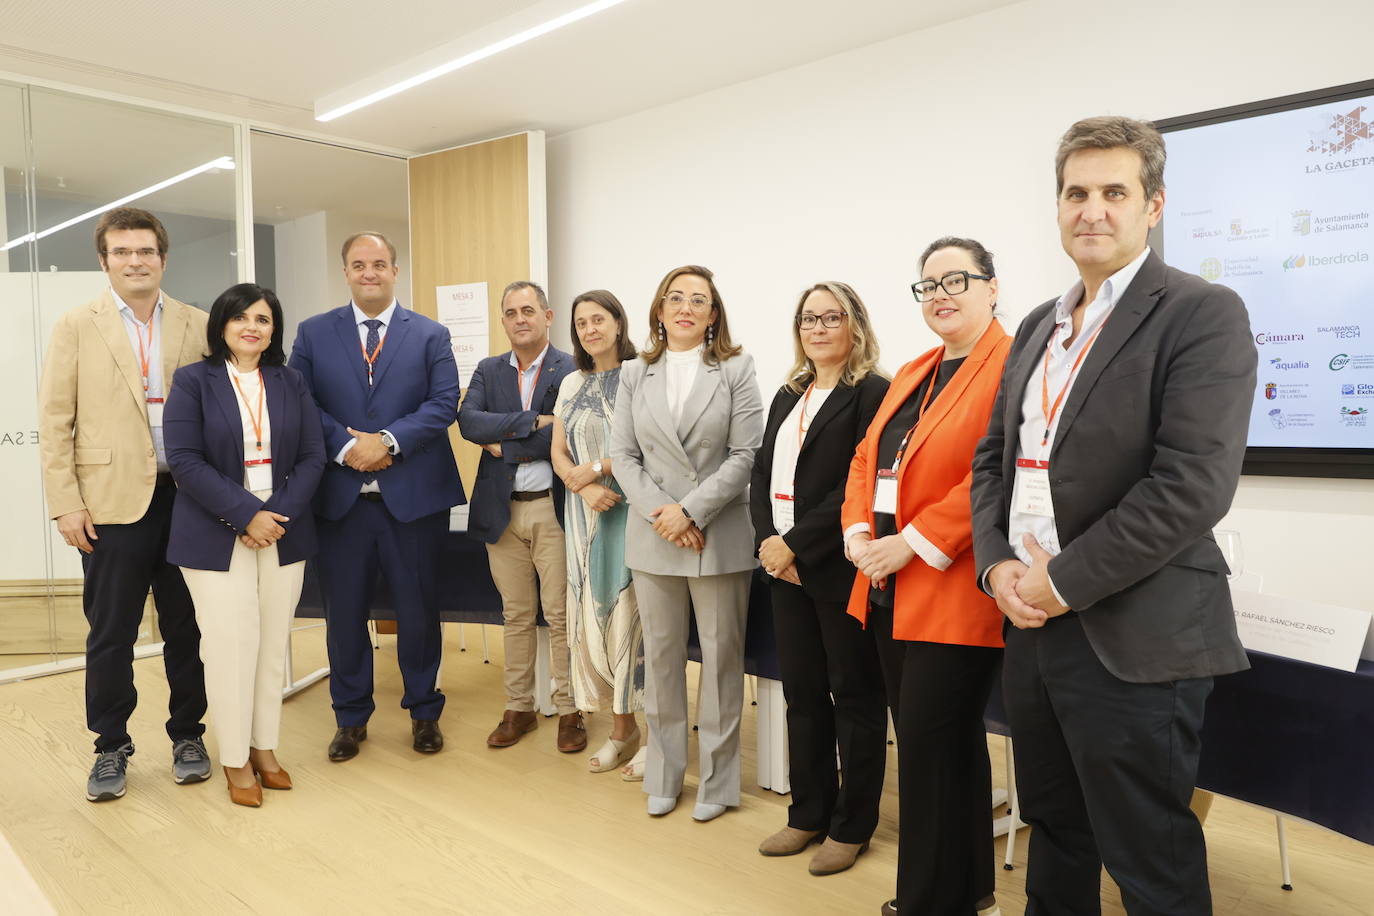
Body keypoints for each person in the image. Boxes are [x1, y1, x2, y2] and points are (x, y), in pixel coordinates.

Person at [970, 117, 1257, 916]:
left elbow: (1192, 485)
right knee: (1054, 831)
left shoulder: (1201, 313)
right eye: (1075, 193)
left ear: (1153, 205)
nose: (1091, 210)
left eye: (1113, 193)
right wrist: (997, 567)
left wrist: (1058, 582)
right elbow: (993, 461)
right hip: (1029, 624)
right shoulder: (1036, 325)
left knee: (1148, 858)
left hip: (1136, 631)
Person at [842, 238, 1011, 916]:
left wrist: (911, 543)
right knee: (948, 750)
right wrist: (859, 532)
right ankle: (972, 895)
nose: (941, 293)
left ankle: (922, 904)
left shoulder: (1013, 363)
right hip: (887, 584)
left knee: (929, 748)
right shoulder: (916, 369)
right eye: (928, 284)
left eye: (957, 280)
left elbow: (994, 474)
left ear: (992, 287)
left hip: (953, 588)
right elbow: (865, 457)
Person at [38, 207, 210, 802]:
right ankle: (110, 745)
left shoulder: (198, 322)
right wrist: (65, 502)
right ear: (105, 260)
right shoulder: (75, 325)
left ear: (163, 257)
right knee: (110, 633)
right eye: (122, 252)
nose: (135, 261)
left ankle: (189, 734)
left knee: (188, 628)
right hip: (110, 504)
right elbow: (55, 420)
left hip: (188, 501)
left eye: (145, 251)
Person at [288, 231, 465, 761]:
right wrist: (348, 448)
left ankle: (424, 712)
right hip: (340, 502)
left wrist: (387, 442)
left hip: (412, 500)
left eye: (380, 264)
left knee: (418, 611)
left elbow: (443, 403)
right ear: (345, 271)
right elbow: (300, 401)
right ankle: (350, 717)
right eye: (359, 264)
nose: (370, 272)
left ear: (394, 271)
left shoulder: (430, 334)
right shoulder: (313, 333)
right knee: (343, 617)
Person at [610, 264, 763, 821]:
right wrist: (664, 516)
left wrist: (690, 511)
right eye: (675, 298)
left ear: (713, 314)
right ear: (658, 310)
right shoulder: (634, 373)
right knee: (663, 659)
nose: (686, 307)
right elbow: (623, 456)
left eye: (699, 300)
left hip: (717, 534)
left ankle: (720, 786)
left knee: (722, 664)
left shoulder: (737, 369)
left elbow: (746, 454)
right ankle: (665, 774)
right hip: (655, 537)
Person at [164, 284, 325, 807]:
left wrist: (274, 517)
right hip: (215, 531)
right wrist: (245, 515)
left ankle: (265, 747)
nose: (252, 326)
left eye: (263, 319)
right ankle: (234, 757)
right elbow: (185, 461)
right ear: (222, 324)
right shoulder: (193, 381)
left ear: (274, 329)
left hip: (282, 527)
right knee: (231, 646)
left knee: (272, 641)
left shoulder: (290, 381)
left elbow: (312, 457)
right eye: (241, 317)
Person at [750, 282, 890, 876]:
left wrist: (795, 544)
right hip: (782, 568)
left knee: (855, 696)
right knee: (803, 695)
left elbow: (857, 488)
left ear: (855, 326)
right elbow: (762, 472)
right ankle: (807, 813)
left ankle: (852, 824)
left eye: (832, 317)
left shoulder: (874, 393)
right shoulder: (791, 393)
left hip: (838, 567)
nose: (818, 327)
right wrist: (767, 541)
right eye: (809, 318)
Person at [459, 281, 583, 752]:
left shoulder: (570, 369)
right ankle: (520, 708)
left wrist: (504, 440)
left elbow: (566, 437)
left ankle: (569, 710)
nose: (520, 319)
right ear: (504, 321)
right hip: (501, 513)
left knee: (559, 614)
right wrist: (535, 422)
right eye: (510, 313)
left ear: (548, 317)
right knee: (515, 615)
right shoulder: (489, 369)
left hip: (552, 511)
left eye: (528, 310)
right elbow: (469, 423)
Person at [550, 290, 645, 775]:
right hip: (584, 516)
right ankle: (621, 730)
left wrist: (594, 469)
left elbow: (646, 447)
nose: (590, 329)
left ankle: (654, 735)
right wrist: (583, 487)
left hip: (631, 512)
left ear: (617, 323)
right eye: (581, 322)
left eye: (599, 319)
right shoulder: (569, 382)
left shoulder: (639, 373)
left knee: (634, 621)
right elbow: (557, 451)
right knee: (591, 624)